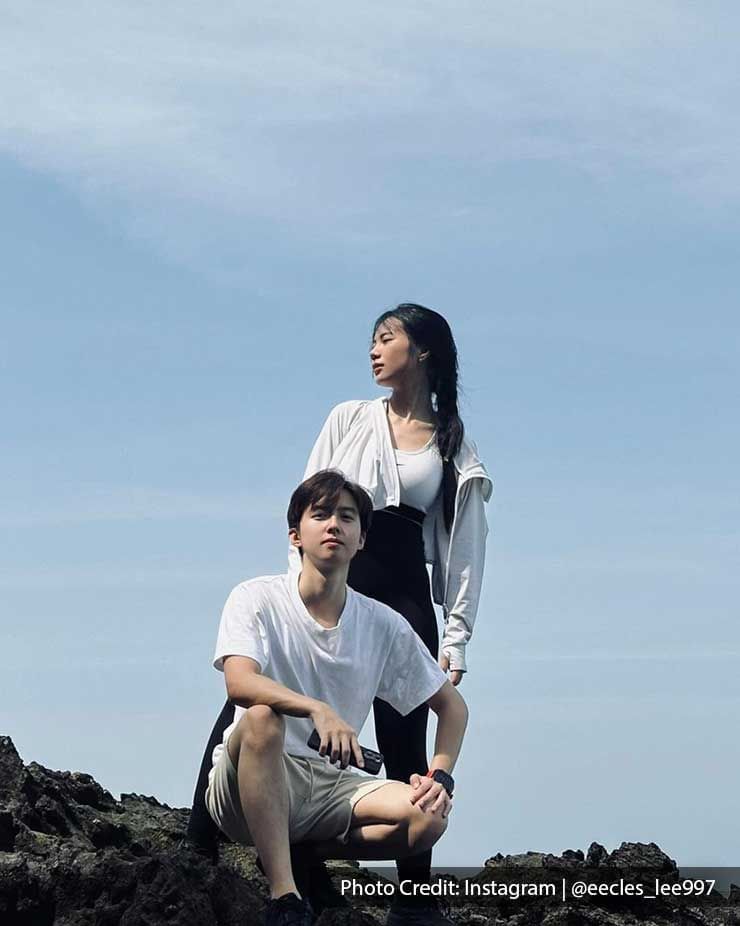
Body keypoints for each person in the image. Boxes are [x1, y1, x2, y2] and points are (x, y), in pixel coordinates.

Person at [189, 304, 492, 924]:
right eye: (372, 341)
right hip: (332, 569)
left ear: (424, 351)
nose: (374, 351)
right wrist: (297, 583)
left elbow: (466, 549)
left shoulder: (453, 441)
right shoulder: (349, 418)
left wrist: (455, 638)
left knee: (404, 733)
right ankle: (202, 835)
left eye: (387, 340)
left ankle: (415, 896)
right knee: (254, 702)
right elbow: (310, 495)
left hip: (402, 581)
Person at [206, 470, 468, 926]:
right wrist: (315, 709)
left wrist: (439, 776)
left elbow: (452, 707)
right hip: (249, 779)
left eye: (347, 518)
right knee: (263, 718)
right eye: (321, 514)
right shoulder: (257, 598)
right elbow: (239, 683)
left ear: (362, 538)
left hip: (328, 790)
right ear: (296, 536)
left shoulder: (381, 624)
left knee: (429, 819)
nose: (334, 526)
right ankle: (284, 898)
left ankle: (304, 852)